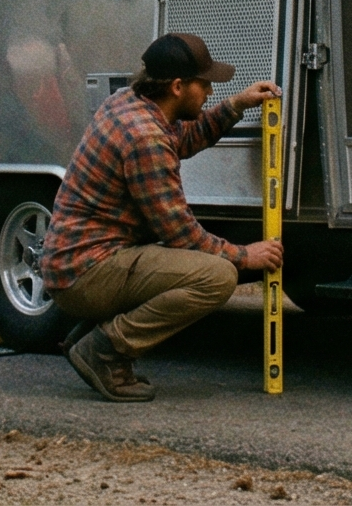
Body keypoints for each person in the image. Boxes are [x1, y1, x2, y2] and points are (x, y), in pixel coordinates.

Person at [41, 32, 283, 402]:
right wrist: (245, 255)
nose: (209, 93)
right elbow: (180, 233)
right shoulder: (145, 138)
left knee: (196, 263)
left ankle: (91, 334)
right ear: (176, 87)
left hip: (77, 263)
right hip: (85, 271)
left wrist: (236, 105)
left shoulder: (129, 103)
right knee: (217, 276)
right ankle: (104, 351)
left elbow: (184, 138)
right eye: (204, 85)